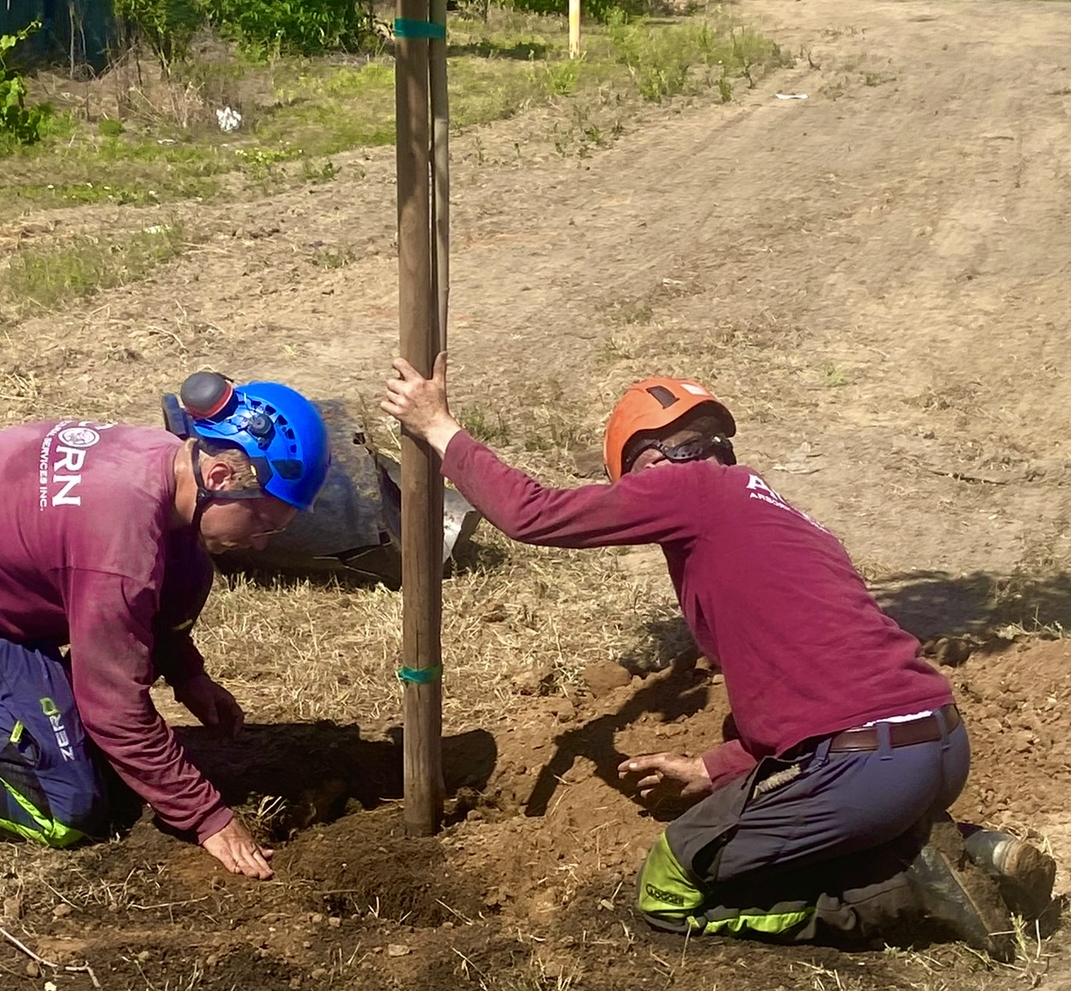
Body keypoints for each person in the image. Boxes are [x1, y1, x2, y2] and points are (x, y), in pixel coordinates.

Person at [380, 354, 1055, 957]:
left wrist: (440, 428)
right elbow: (809, 692)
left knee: (668, 885)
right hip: (936, 745)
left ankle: (905, 889)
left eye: (630, 486)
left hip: (865, 769)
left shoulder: (690, 486)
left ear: (649, 461)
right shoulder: (785, 520)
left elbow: (533, 515)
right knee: (818, 820)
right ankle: (966, 846)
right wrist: (712, 766)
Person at [0, 373, 329, 881]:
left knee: (101, 763)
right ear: (219, 475)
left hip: (4, 621)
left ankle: (24, 725)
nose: (262, 542)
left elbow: (166, 595)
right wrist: (206, 817)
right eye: (263, 521)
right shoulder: (117, 544)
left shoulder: (163, 466)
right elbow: (114, 711)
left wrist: (188, 677)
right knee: (65, 808)